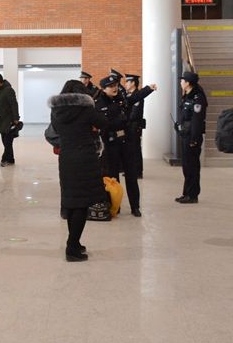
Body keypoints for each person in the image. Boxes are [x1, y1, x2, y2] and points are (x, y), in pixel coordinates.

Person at [49, 80, 108, 261]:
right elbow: (104, 122)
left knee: (71, 201)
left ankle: (74, 243)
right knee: (82, 204)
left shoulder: (56, 111)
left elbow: (56, 129)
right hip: (84, 158)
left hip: (66, 158)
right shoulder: (86, 109)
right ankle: (71, 247)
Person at [96, 75, 141, 216]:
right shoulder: (99, 103)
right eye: (111, 86)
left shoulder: (122, 98)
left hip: (126, 141)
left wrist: (149, 89)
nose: (114, 88)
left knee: (131, 176)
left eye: (115, 85)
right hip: (111, 144)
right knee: (113, 177)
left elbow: (135, 98)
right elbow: (103, 123)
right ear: (104, 89)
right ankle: (115, 206)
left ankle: (135, 207)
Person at [175, 71, 207, 204]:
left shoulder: (198, 97)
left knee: (192, 166)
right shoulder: (187, 95)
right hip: (186, 135)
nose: (180, 82)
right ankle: (186, 193)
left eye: (182, 80)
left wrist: (194, 138)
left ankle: (192, 195)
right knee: (186, 166)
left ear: (188, 83)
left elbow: (197, 120)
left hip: (192, 137)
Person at [123, 74, 157, 186]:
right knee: (129, 149)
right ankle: (131, 170)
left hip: (134, 126)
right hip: (129, 126)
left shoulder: (137, 96)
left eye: (127, 82)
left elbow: (134, 114)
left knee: (135, 149)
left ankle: (138, 172)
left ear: (133, 83)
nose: (125, 84)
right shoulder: (129, 95)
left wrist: (125, 120)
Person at [0, 72, 20, 167]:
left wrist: (16, 118)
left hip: (9, 120)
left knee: (7, 141)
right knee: (5, 140)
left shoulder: (8, 90)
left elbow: (14, 104)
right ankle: (11, 159)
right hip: (2, 120)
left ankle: (4, 159)